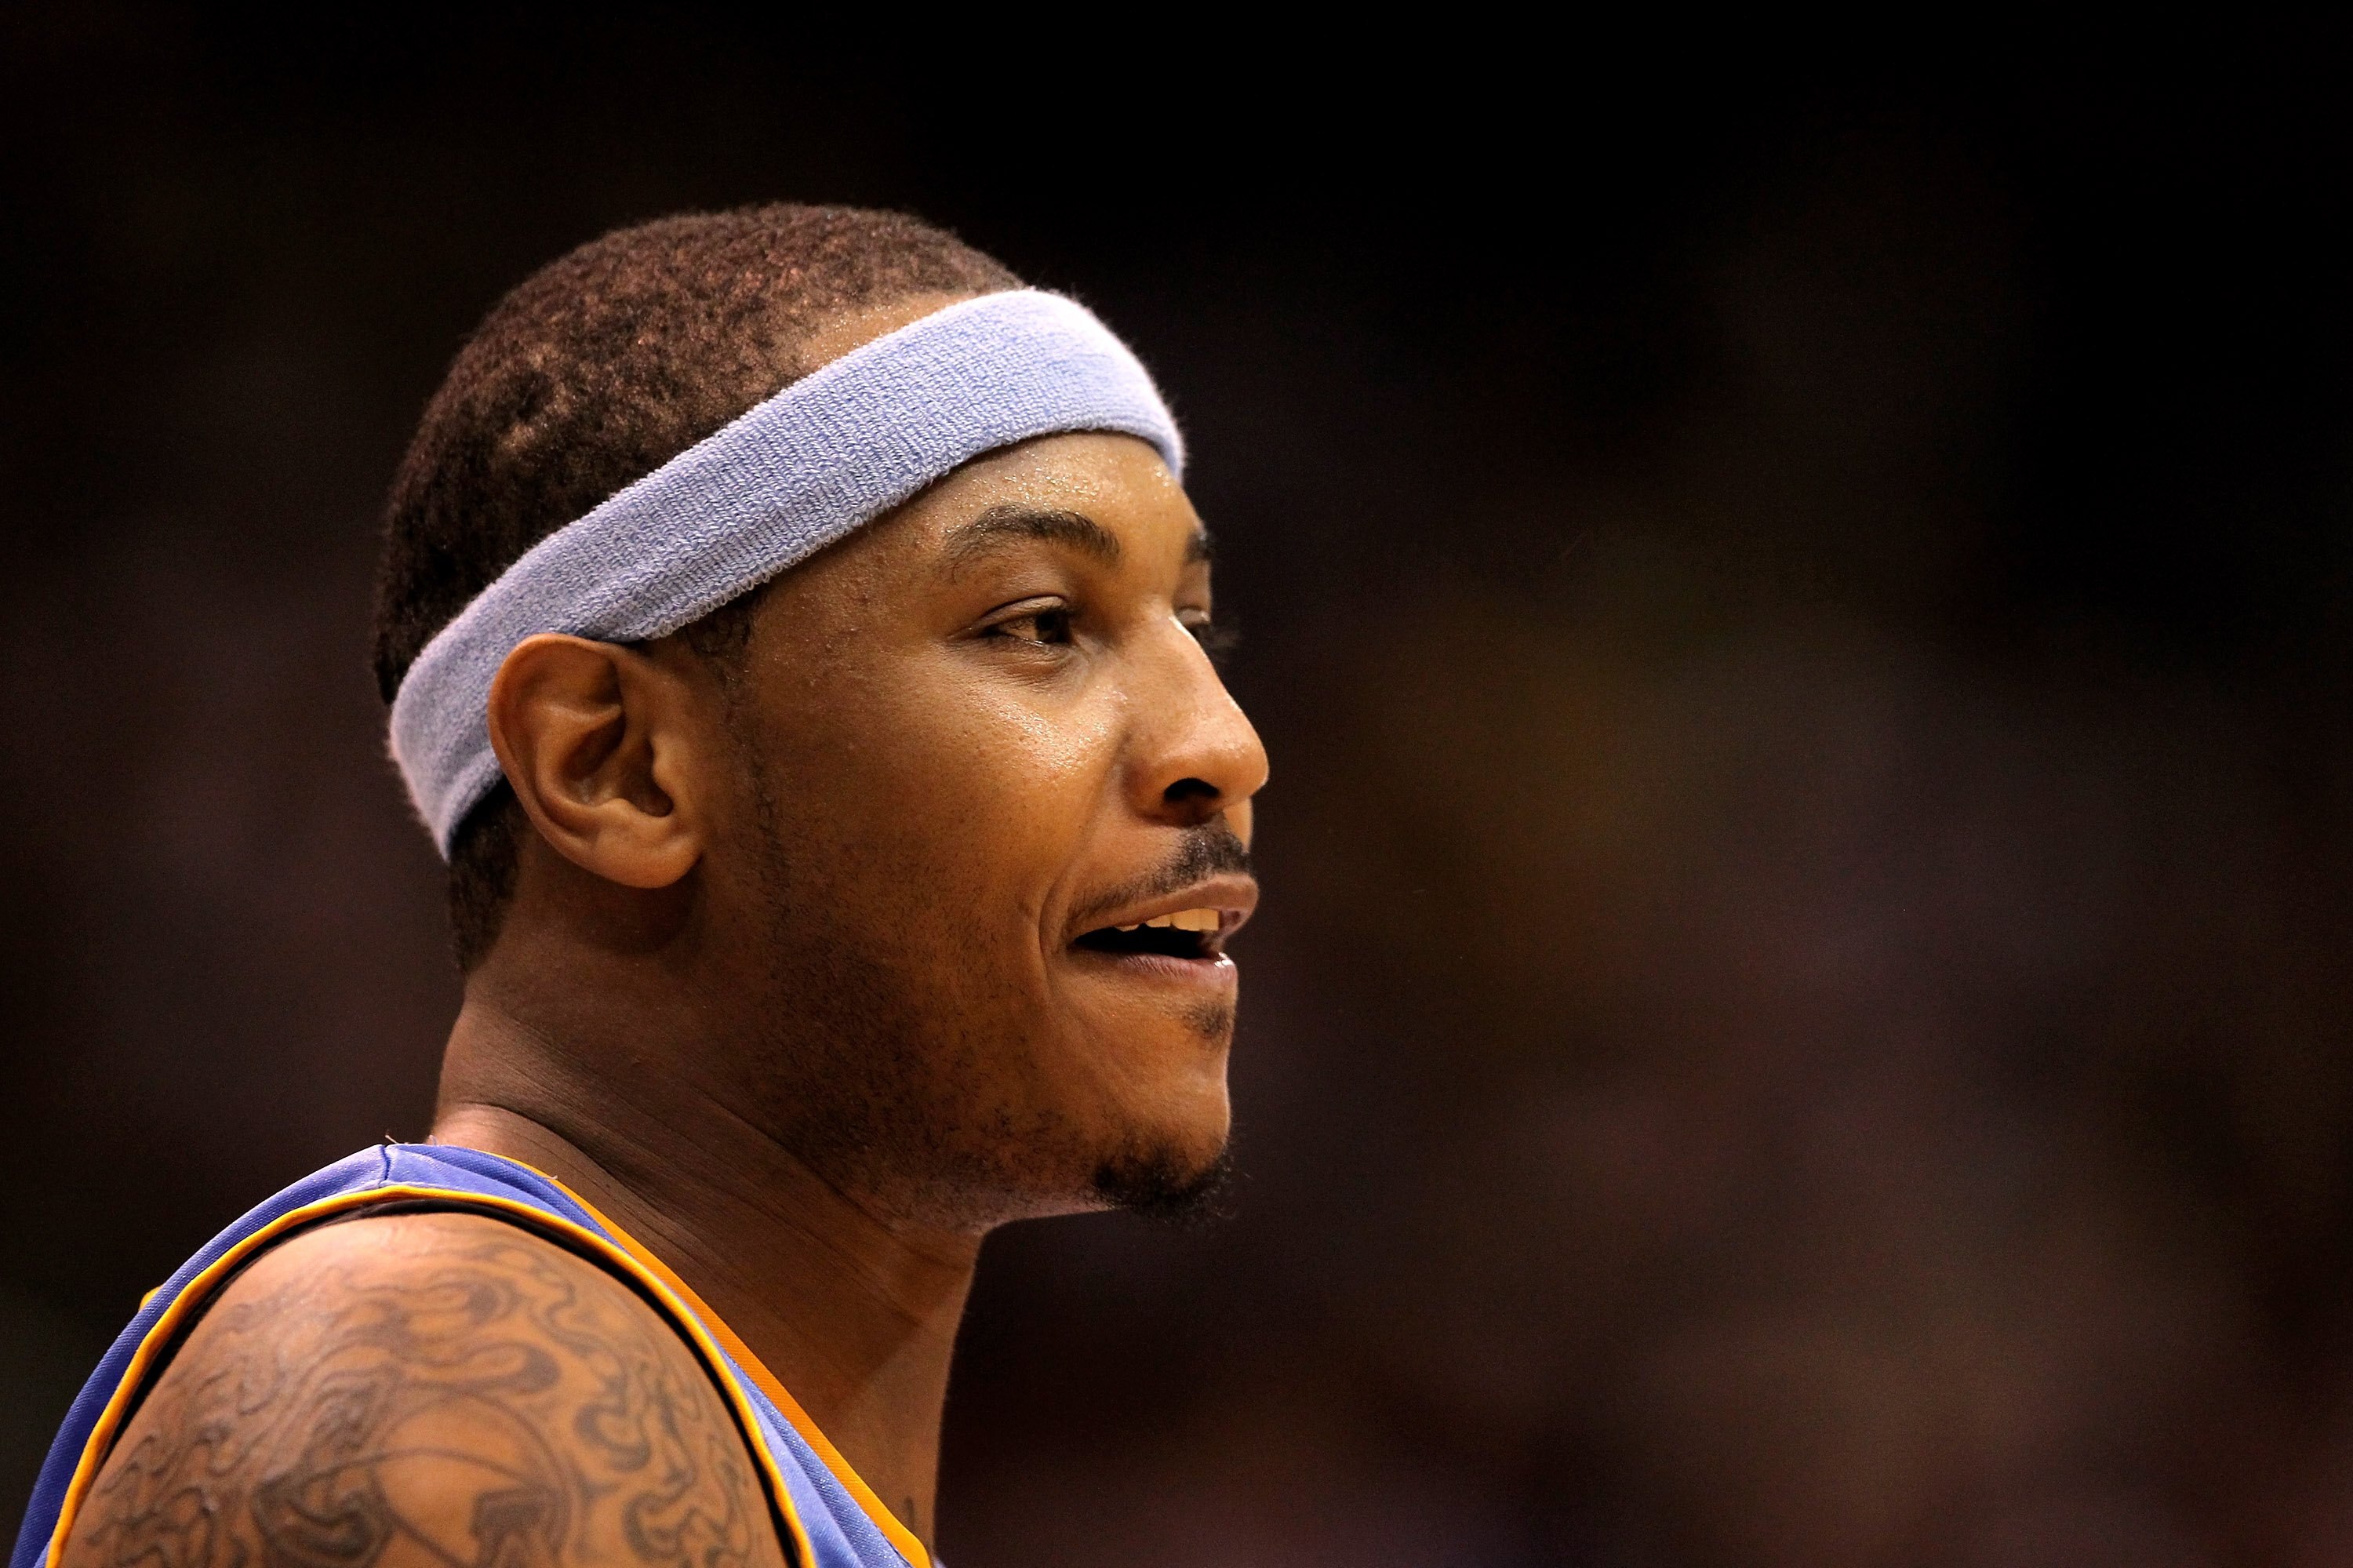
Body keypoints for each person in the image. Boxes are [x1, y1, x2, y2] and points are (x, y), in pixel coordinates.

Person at [13, 204, 1267, 1568]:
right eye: (1038, 625)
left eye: (1192, 626)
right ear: (617, 765)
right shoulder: (451, 1404)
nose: (1223, 746)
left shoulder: (675, 1426)